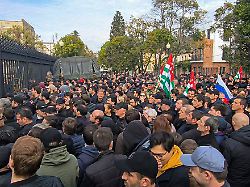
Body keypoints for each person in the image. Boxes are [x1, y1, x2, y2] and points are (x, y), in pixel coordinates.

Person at [220, 113, 250, 187]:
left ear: (233, 122)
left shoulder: (228, 143)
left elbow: (223, 166)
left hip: (233, 182)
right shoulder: (230, 142)